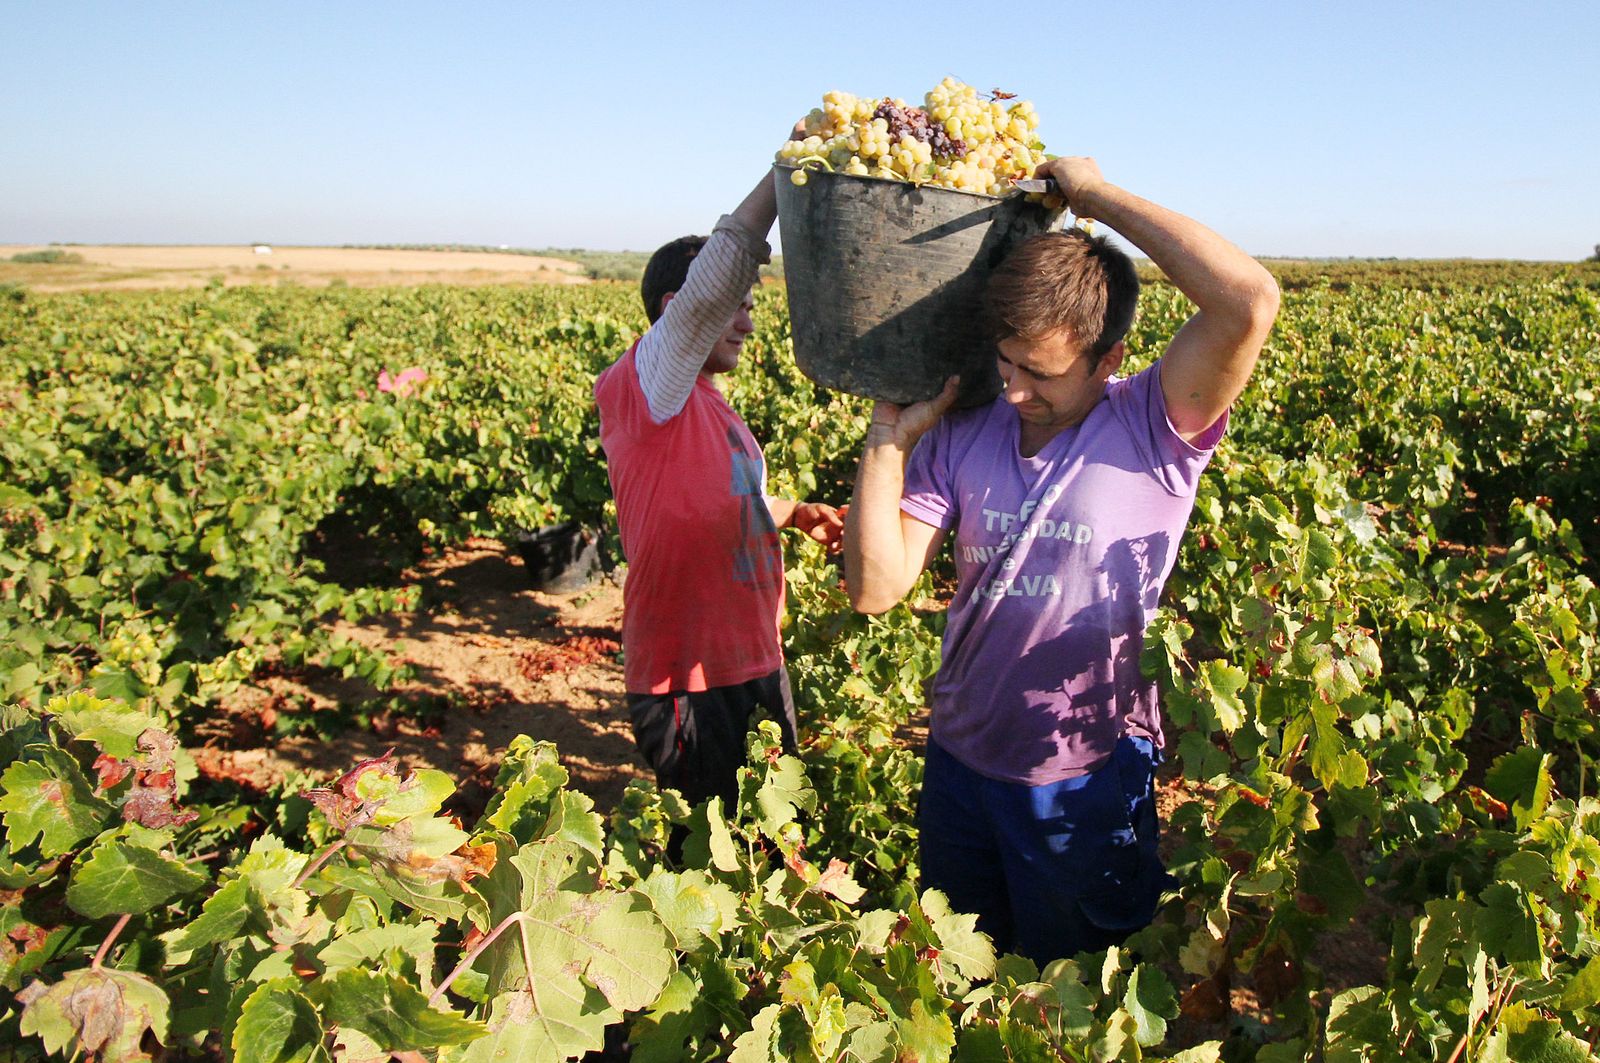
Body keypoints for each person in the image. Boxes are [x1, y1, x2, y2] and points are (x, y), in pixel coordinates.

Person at [843, 156, 1280, 963]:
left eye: (1039, 374)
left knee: (1069, 996)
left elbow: (1249, 302)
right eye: (1005, 362)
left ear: (1108, 357)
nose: (1013, 389)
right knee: (965, 985)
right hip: (959, 767)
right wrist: (885, 445)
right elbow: (876, 587)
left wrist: (1096, 196)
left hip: (1083, 775)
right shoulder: (968, 428)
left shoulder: (1157, 426)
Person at [595, 168, 844, 810]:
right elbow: (711, 288)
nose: (748, 325)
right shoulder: (644, 390)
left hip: (756, 660)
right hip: (690, 678)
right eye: (740, 305)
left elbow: (724, 500)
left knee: (770, 841)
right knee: (708, 862)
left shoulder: (714, 409)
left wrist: (791, 514)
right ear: (681, 308)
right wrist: (782, 178)